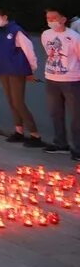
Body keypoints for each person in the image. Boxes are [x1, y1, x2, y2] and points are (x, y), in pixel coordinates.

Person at [0, 8, 43, 147]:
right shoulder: (1, 32)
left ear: (5, 16)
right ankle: (19, 130)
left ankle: (34, 134)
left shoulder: (16, 30)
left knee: (18, 102)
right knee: (11, 101)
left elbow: (28, 49)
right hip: (4, 70)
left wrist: (31, 69)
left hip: (17, 70)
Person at [41, 9, 80, 159]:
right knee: (55, 113)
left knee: (76, 116)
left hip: (71, 80)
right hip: (51, 78)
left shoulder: (74, 37)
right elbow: (48, 52)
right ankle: (60, 143)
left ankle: (77, 148)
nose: (50, 21)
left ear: (63, 19)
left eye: (54, 18)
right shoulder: (46, 35)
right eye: (48, 18)